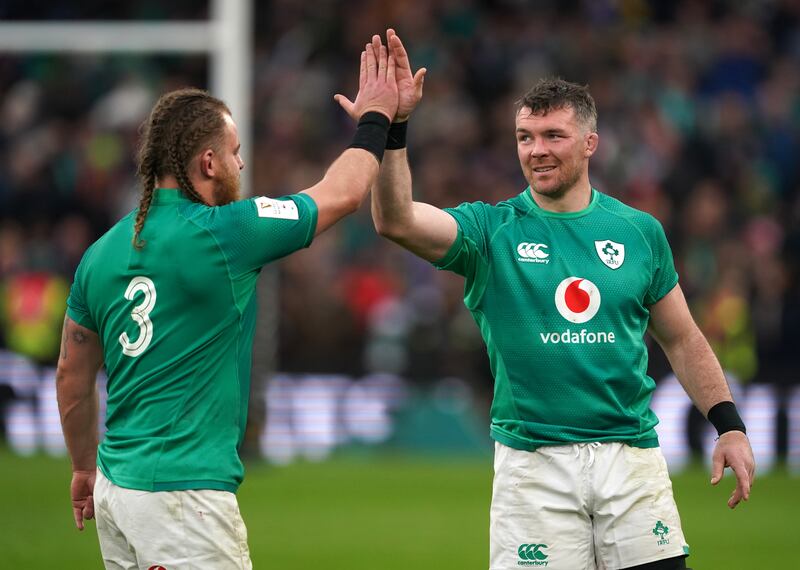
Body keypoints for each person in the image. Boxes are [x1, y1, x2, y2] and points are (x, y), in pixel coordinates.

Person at [340, 29, 756, 570]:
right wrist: (393, 130)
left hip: (630, 460)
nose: (536, 150)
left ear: (590, 143)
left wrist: (729, 425)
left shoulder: (639, 232)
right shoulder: (489, 232)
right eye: (524, 137)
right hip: (534, 468)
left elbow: (682, 337)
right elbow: (394, 219)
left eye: (554, 135)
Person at [55, 36, 398, 569]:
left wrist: (82, 467)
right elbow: (343, 193)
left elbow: (71, 376)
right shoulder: (227, 233)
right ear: (210, 161)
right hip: (183, 498)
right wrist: (376, 119)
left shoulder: (100, 253)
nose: (241, 164)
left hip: (116, 490)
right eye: (236, 154)